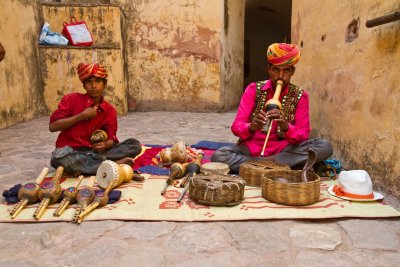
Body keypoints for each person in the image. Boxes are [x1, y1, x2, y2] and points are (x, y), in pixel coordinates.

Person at [211, 43, 333, 173]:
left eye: (286, 70)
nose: (281, 76)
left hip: (285, 150)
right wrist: (251, 127)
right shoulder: (253, 89)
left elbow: (303, 134)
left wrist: (286, 126)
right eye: (276, 70)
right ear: (268, 69)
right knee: (220, 155)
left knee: (325, 146)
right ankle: (275, 165)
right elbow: (236, 127)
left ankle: (259, 165)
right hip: (253, 148)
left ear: (292, 72)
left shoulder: (301, 96)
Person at [49, 63, 142, 175]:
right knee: (58, 157)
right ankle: (111, 165)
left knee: (134, 144)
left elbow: (112, 137)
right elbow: (53, 126)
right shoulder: (71, 99)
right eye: (89, 82)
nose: (93, 86)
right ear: (84, 85)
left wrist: (106, 145)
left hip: (95, 152)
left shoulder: (109, 110)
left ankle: (91, 166)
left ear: (104, 84)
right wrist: (82, 115)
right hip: (71, 151)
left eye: (98, 82)